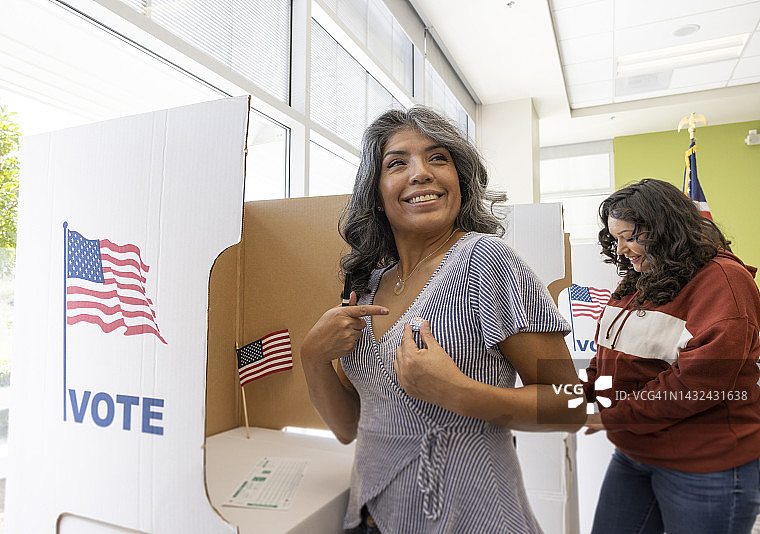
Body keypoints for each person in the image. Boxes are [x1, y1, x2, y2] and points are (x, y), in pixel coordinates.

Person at [301, 106, 584, 533]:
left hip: (474, 519)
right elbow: (348, 426)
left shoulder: (486, 263)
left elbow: (570, 405)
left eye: (438, 158)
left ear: (460, 180)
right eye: (397, 163)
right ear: (376, 193)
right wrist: (311, 357)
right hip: (374, 518)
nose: (421, 173)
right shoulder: (369, 283)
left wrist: (460, 392)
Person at [584, 178, 760, 534]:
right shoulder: (641, 276)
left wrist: (617, 416)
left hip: (705, 461)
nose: (621, 250)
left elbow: (699, 380)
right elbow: (608, 350)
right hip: (636, 450)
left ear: (666, 230)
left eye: (630, 237)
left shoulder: (724, 281)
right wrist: (587, 398)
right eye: (615, 238)